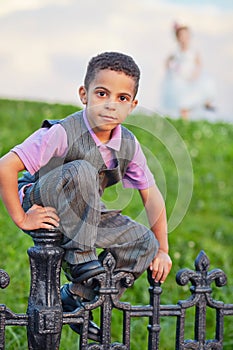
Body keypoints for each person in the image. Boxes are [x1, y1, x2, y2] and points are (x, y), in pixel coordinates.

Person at [0, 52, 172, 341]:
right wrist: (21, 216)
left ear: (132, 105)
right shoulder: (62, 132)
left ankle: (81, 298)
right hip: (45, 196)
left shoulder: (128, 144)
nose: (110, 105)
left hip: (84, 210)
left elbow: (151, 196)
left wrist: (163, 249)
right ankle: (81, 260)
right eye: (102, 93)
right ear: (84, 94)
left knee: (144, 243)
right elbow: (6, 165)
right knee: (81, 169)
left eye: (121, 98)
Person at [160, 22, 216, 119]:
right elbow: (168, 63)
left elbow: (199, 65)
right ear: (177, 38)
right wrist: (171, 69)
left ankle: (205, 105)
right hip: (179, 80)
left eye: (186, 35)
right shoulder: (175, 52)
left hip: (192, 78)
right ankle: (185, 122)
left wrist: (195, 75)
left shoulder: (193, 51)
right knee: (183, 103)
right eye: (181, 36)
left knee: (197, 97)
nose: (184, 38)